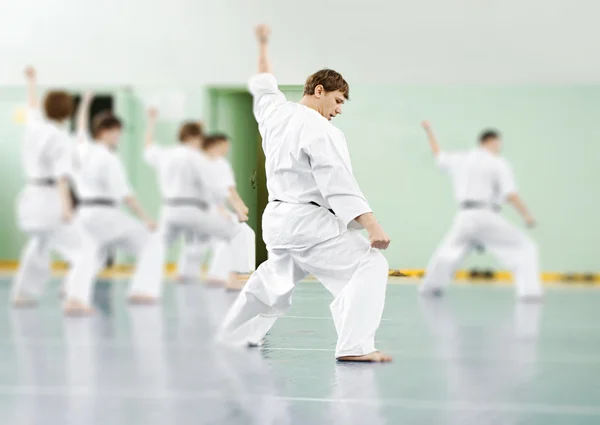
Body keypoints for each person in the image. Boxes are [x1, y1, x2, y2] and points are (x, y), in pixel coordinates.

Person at [217, 25, 392, 363]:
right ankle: (356, 346)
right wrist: (371, 225)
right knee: (370, 265)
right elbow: (338, 183)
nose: (339, 110)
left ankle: (230, 336)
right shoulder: (320, 129)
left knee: (272, 282)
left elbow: (264, 81)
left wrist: (263, 44)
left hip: (279, 221)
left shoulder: (274, 114)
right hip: (309, 223)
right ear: (319, 90)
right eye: (338, 101)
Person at [419, 121, 542, 301]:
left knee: (449, 252)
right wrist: (527, 215)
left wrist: (429, 131)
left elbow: (438, 154)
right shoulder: (497, 162)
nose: (499, 147)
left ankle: (429, 288)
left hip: (465, 215)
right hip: (486, 214)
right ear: (492, 141)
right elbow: (510, 194)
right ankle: (530, 292)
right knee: (524, 247)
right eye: (498, 144)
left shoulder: (462, 158)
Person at [127, 112, 241, 303]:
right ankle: (219, 276)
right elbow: (212, 187)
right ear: (195, 138)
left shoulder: (165, 154)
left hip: (169, 210)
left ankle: (144, 289)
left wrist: (151, 122)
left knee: (156, 245)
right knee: (234, 231)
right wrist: (222, 209)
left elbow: (148, 147)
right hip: (193, 209)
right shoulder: (196, 157)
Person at [11, 67, 98, 315]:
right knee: (86, 249)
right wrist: (67, 207)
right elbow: (62, 177)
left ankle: (23, 293)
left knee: (39, 244)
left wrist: (31, 81)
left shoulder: (34, 127)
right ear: (67, 112)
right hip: (50, 200)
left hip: (29, 198)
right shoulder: (61, 138)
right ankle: (76, 299)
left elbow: (31, 105)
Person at [66, 93, 156, 307]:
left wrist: (86, 102)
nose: (118, 137)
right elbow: (127, 195)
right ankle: (142, 290)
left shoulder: (83, 150)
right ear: (105, 132)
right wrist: (146, 219)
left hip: (84, 213)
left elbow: (80, 127)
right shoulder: (108, 157)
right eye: (117, 133)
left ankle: (74, 297)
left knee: (89, 254)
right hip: (105, 214)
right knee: (151, 241)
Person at [176, 133, 255, 289]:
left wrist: (240, 207)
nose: (226, 149)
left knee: (237, 235)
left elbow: (229, 189)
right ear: (212, 145)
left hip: (214, 210)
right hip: (198, 210)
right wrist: (221, 210)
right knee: (232, 235)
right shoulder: (197, 163)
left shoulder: (222, 164)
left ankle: (220, 275)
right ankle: (225, 275)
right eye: (223, 145)